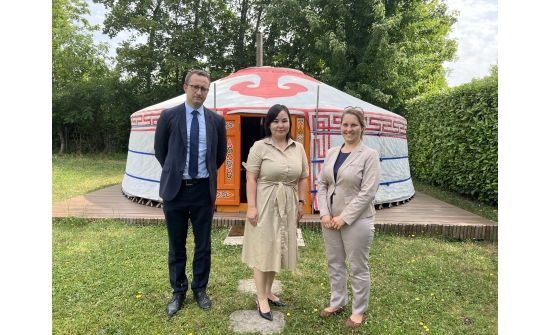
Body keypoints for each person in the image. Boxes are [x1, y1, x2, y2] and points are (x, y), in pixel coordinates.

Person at [154, 69, 227, 316]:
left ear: (208, 91)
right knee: (176, 245)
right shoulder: (168, 116)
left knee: (203, 245)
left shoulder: (216, 121)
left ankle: (200, 289)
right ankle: (178, 291)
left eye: (204, 88)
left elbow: (219, 155)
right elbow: (160, 151)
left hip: (202, 191)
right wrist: (176, 172)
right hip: (175, 192)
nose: (199, 92)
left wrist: (200, 176)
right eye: (195, 86)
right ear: (185, 87)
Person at [241, 104, 309, 321]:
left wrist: (301, 202)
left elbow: (304, 177)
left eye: (284, 120)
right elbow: (250, 178)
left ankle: (269, 291)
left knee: (277, 246)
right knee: (263, 248)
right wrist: (251, 206)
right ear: (268, 124)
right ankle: (261, 297)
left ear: (290, 122)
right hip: (264, 203)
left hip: (288, 203)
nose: (280, 125)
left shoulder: (298, 147)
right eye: (275, 121)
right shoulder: (259, 147)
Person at [316, 106, 381, 329]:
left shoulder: (370, 155)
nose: (349, 129)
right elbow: (322, 183)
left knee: (357, 266)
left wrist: (343, 218)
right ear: (340, 127)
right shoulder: (332, 153)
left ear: (362, 127)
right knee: (335, 263)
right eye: (345, 125)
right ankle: (338, 302)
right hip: (329, 220)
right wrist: (324, 213)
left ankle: (359, 310)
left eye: (354, 125)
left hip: (357, 220)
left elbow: (368, 192)